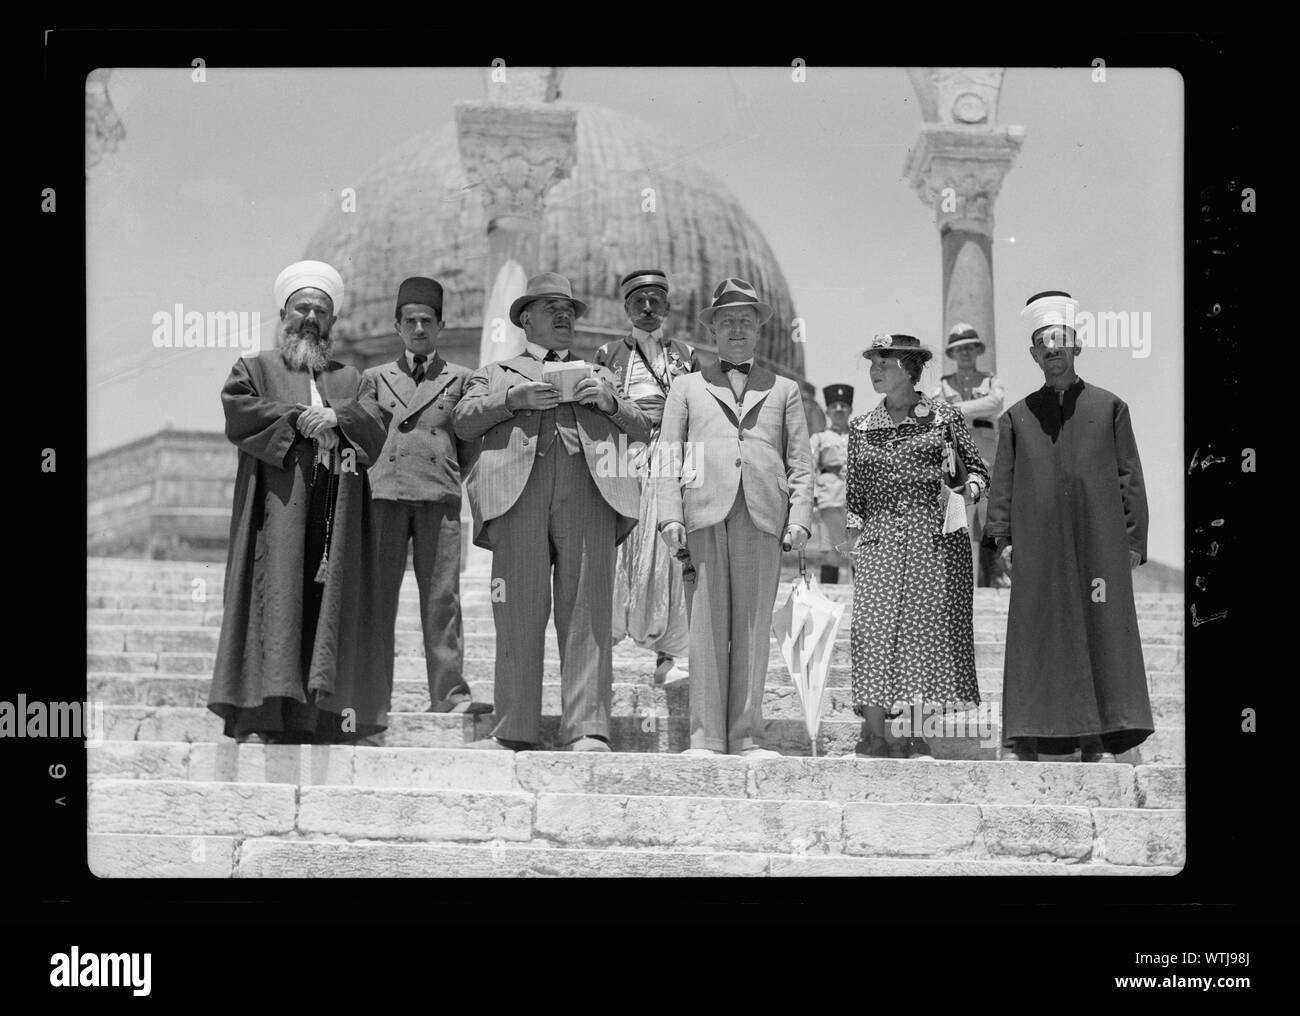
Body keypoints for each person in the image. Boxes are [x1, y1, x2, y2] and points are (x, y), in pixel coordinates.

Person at [453, 273, 650, 752]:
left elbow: (642, 427)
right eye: (551, 308)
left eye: (569, 309)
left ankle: (587, 728)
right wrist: (512, 401)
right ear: (525, 319)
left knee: (588, 614)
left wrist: (606, 401)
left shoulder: (599, 374)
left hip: (589, 494)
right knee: (516, 612)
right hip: (517, 499)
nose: (565, 316)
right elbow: (462, 419)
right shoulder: (497, 373)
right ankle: (514, 728)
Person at [209, 260, 389, 744]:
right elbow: (239, 411)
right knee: (280, 596)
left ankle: (322, 719)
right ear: (283, 312)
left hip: (335, 510)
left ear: (332, 322)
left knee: (328, 605)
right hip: (278, 510)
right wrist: (300, 419)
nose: (310, 317)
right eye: (301, 308)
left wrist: (336, 418)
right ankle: (266, 714)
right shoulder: (254, 367)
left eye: (321, 311)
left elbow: (374, 420)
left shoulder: (351, 379)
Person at [984, 291, 1153, 762]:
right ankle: (1035, 734)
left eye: (1061, 341)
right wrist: (1002, 537)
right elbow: (1004, 482)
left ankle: (1100, 735)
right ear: (1033, 353)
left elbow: (1129, 475)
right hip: (1037, 541)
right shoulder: (1017, 417)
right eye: (1044, 343)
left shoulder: (1110, 406)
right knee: (1040, 631)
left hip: (1098, 540)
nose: (1053, 350)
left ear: (1076, 346)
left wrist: (1133, 540)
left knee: (1099, 627)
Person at [656, 277, 814, 759]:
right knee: (704, 627)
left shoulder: (784, 390)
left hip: (764, 516)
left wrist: (801, 518)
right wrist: (668, 515)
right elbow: (668, 455)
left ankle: (748, 736)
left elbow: (802, 462)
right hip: (703, 513)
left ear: (760, 330)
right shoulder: (686, 387)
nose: (737, 328)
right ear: (713, 330)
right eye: (728, 321)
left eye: (746, 320)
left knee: (751, 627)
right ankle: (705, 738)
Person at [844, 334, 988, 759]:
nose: (874, 370)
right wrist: (853, 543)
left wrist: (967, 489)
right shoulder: (860, 427)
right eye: (871, 362)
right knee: (871, 631)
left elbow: (976, 472)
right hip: (880, 538)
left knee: (923, 636)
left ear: (908, 369)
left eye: (883, 363)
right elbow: (855, 498)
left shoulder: (944, 417)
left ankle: (914, 734)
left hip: (934, 539)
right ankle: (874, 734)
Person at [360, 277, 487, 716]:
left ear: (440, 326)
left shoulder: (461, 379)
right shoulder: (374, 379)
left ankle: (449, 694)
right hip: (385, 497)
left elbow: (468, 441)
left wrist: (446, 471)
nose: (418, 328)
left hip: (439, 498)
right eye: (410, 321)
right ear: (397, 326)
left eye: (427, 321)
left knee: (442, 599)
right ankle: (371, 696)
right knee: (378, 600)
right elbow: (363, 434)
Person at [594, 268, 700, 683]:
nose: (648, 307)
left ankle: (669, 654)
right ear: (626, 307)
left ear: (668, 306)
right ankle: (606, 644)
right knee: (618, 549)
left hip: (672, 458)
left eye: (656, 299)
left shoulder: (687, 355)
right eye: (639, 301)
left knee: (670, 551)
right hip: (621, 456)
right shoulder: (607, 354)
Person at [931, 323, 1005, 586]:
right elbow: (935, 410)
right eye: (958, 349)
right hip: (956, 460)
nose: (964, 354)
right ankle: (956, 581)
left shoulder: (990, 380)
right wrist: (970, 409)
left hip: (986, 457)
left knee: (988, 519)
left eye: (969, 348)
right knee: (956, 515)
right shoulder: (943, 384)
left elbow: (994, 403)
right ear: (952, 354)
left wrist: (957, 409)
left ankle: (991, 578)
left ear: (977, 351)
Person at [806, 384, 854, 584]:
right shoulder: (819, 437)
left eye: (844, 406)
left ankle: (860, 595)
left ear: (850, 410)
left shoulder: (859, 435)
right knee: (830, 549)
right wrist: (813, 499)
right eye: (835, 406)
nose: (839, 410)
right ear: (828, 411)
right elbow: (810, 468)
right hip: (828, 498)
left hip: (854, 499)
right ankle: (828, 595)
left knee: (857, 548)